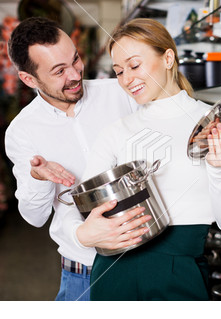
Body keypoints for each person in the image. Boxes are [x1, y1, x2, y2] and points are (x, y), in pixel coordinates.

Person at [64, 18, 221, 301]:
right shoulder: (116, 131)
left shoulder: (219, 126)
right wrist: (81, 235)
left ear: (168, 57)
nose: (126, 79)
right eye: (119, 71)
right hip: (114, 271)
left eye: (134, 65)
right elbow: (76, 204)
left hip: (181, 270)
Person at [4, 17, 150, 301]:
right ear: (28, 79)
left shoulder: (121, 92)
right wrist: (38, 178)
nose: (74, 74)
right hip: (83, 273)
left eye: (75, 60)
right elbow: (34, 218)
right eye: (59, 71)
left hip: (148, 259)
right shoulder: (22, 132)